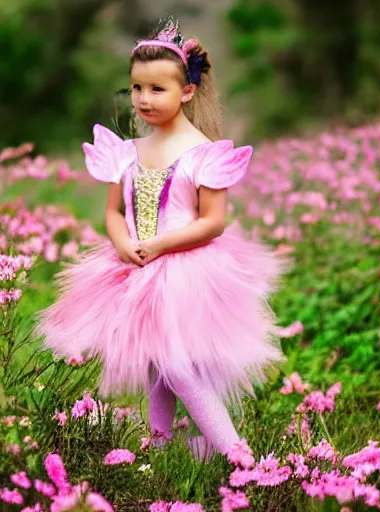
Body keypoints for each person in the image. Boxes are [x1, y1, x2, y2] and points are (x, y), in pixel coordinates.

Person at [34, 17, 289, 462]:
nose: (144, 99)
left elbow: (213, 221)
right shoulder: (128, 151)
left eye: (157, 89)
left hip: (185, 268)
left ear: (186, 92)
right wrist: (121, 243)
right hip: (133, 267)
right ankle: (162, 447)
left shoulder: (203, 154)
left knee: (176, 364)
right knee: (156, 366)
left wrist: (160, 246)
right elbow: (114, 213)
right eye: (137, 89)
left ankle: (236, 455)